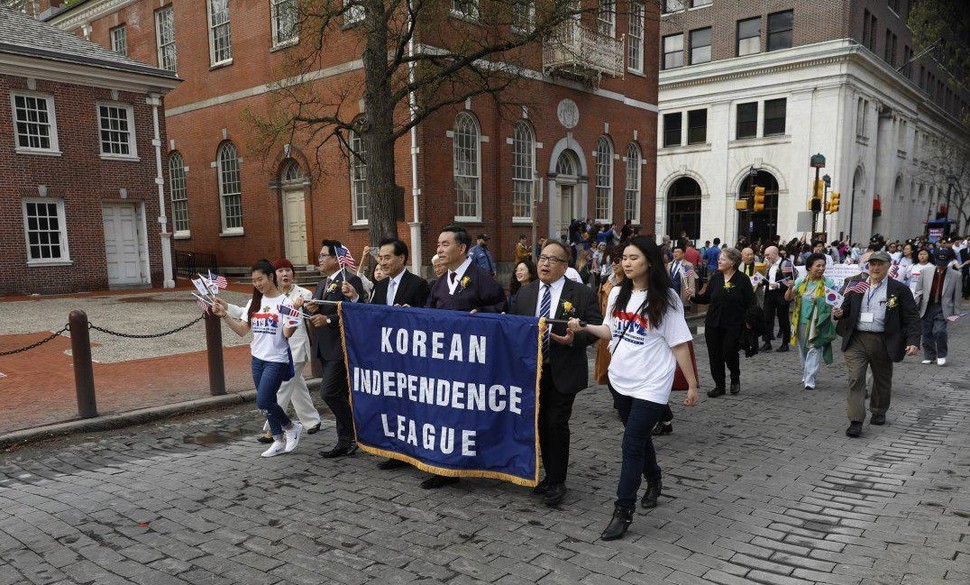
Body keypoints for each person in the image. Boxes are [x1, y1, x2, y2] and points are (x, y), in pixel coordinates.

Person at [569, 236, 698, 541]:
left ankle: (622, 511)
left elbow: (679, 342)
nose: (626, 263)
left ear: (650, 262)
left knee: (630, 444)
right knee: (637, 438)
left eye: (634, 258)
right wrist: (584, 327)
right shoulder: (617, 293)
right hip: (620, 378)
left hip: (652, 383)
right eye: (624, 257)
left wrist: (691, 383)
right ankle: (654, 478)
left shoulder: (666, 298)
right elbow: (609, 330)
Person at [509, 240, 602, 506]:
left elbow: (595, 327)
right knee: (539, 424)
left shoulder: (581, 294)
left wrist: (575, 338)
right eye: (542, 258)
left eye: (552, 259)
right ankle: (548, 475)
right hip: (533, 372)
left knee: (556, 423)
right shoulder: (526, 293)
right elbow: (515, 327)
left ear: (564, 266)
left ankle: (558, 481)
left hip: (563, 370)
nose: (544, 263)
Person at [423, 225, 507, 488]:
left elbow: (502, 309)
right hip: (442, 365)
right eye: (438, 244)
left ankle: (472, 460)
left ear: (461, 249)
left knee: (465, 418)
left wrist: (480, 315)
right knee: (442, 415)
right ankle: (443, 467)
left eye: (445, 244)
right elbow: (429, 315)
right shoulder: (438, 284)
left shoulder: (482, 278)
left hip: (471, 366)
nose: (439, 249)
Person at [345, 237, 431, 471]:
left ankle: (419, 451)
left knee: (414, 407)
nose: (382, 262)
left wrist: (413, 315)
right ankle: (397, 451)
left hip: (411, 359)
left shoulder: (418, 284)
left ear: (401, 258)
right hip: (387, 359)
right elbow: (371, 316)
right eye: (380, 257)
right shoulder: (381, 286)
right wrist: (354, 299)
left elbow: (431, 320)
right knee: (392, 405)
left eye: (387, 257)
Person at [211, 260, 303, 458]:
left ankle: (291, 427)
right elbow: (242, 331)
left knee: (263, 400)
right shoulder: (254, 303)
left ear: (271, 277)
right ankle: (278, 440)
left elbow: (287, 333)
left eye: (260, 279)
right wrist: (224, 315)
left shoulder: (285, 303)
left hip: (276, 359)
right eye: (254, 281)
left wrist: (295, 316)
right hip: (257, 358)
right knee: (266, 401)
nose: (258, 284)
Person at [231, 259, 322, 443]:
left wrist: (298, 307)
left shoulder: (302, 294)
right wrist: (226, 309)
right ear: (275, 275)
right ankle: (312, 421)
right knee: (297, 387)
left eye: (288, 270)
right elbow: (247, 313)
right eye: (281, 270)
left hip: (294, 348)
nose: (285, 274)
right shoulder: (267, 295)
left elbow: (306, 313)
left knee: (280, 389)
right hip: (271, 349)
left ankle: (274, 430)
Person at [833, 251, 920, 437]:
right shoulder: (856, 287)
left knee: (882, 379)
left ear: (889, 266)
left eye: (880, 264)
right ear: (868, 266)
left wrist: (913, 341)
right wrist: (838, 313)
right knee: (856, 378)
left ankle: (879, 409)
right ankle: (855, 420)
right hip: (857, 339)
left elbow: (912, 316)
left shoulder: (899, 289)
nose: (875, 267)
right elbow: (844, 309)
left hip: (884, 339)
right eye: (872, 264)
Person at [306, 240, 365, 458]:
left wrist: (329, 320)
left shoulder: (350, 280)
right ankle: (344, 441)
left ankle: (354, 430)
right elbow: (318, 308)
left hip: (340, 347)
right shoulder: (322, 284)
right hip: (324, 347)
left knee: (328, 392)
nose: (319, 260)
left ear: (335, 258)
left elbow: (355, 311)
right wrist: (311, 308)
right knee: (337, 393)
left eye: (323, 256)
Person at [689, 247, 755, 397]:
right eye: (720, 258)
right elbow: (706, 298)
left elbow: (751, 302)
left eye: (723, 259)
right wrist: (693, 296)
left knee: (729, 352)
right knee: (714, 355)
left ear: (732, 262)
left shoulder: (742, 279)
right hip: (713, 324)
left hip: (733, 324)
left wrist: (749, 320)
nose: (719, 261)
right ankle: (719, 386)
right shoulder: (716, 278)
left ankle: (735, 378)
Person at [784, 253, 837, 390]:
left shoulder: (828, 283)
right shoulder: (801, 281)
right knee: (803, 349)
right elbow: (788, 298)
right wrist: (790, 288)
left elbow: (833, 302)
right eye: (818, 265)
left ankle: (810, 378)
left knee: (814, 348)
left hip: (818, 322)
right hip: (800, 320)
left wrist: (820, 301)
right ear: (809, 267)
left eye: (823, 265)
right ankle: (806, 372)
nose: (821, 268)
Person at [915, 248, 963, 366]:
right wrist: (917, 301)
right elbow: (918, 290)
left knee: (940, 331)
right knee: (926, 332)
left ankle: (941, 354)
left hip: (943, 308)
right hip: (927, 306)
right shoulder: (925, 272)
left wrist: (956, 314)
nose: (941, 266)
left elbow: (957, 296)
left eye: (944, 263)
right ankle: (929, 355)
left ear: (948, 262)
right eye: (939, 263)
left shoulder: (956, 275)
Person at [760, 246, 792, 352]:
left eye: (768, 255)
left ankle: (785, 343)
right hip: (770, 294)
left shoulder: (786, 263)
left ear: (774, 253)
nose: (766, 258)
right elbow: (770, 279)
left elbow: (790, 280)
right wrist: (762, 281)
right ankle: (767, 342)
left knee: (783, 319)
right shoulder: (770, 265)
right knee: (767, 318)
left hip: (782, 295)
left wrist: (778, 285)